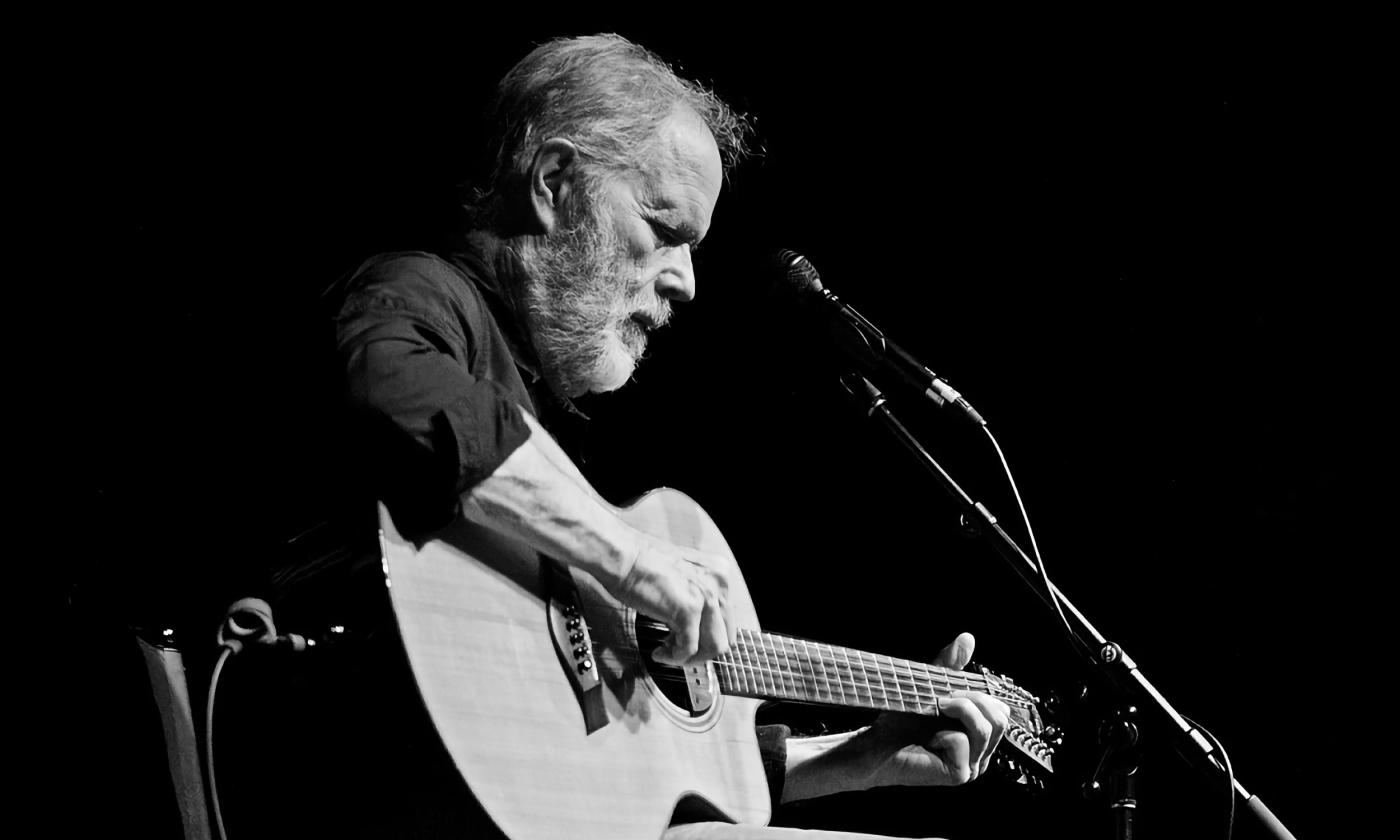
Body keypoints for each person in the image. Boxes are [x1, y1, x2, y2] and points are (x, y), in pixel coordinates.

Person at [326, 33, 1010, 840]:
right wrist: (633, 555)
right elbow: (394, 387)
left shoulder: (544, 423)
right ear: (554, 183)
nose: (686, 282)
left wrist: (860, 757)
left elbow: (625, 785)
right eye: (663, 226)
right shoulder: (423, 293)